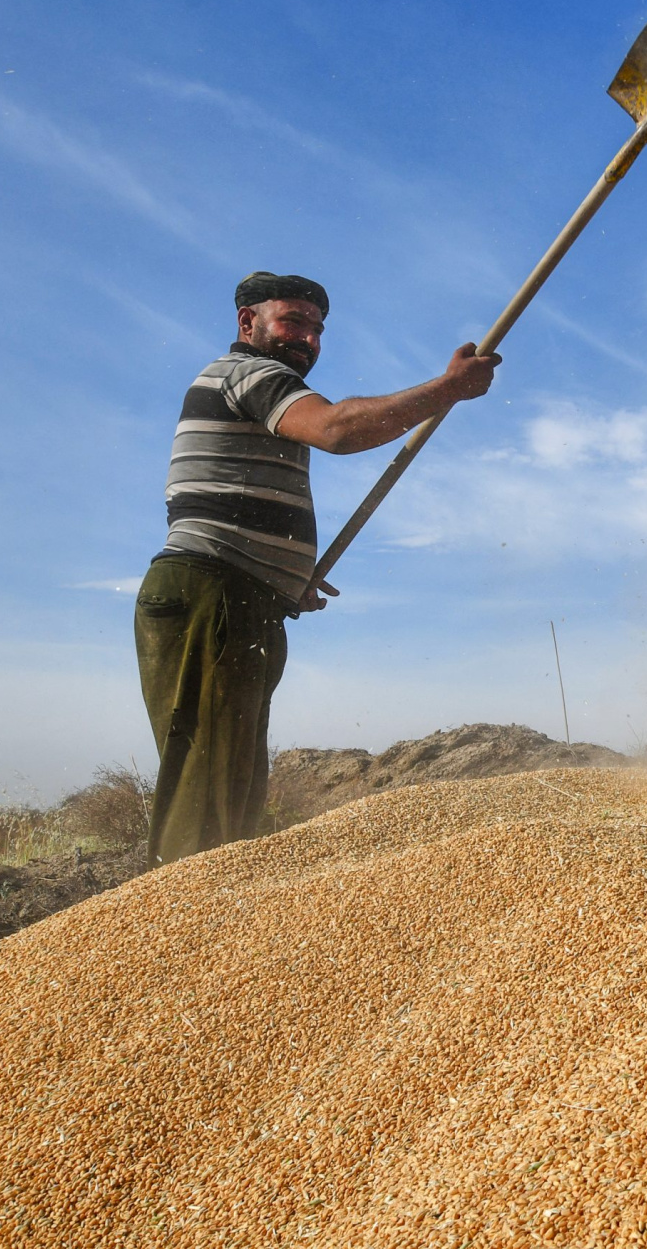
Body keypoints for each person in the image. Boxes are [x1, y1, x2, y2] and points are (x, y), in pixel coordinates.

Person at [133, 272, 500, 865]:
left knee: (233, 787)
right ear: (247, 323)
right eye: (292, 323)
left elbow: (232, 496)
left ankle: (220, 919)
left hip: (241, 597)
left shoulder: (259, 386)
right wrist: (446, 390)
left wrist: (283, 573)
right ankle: (186, 928)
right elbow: (337, 429)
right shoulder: (249, 374)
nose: (306, 338)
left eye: (316, 329)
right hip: (213, 594)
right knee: (209, 793)